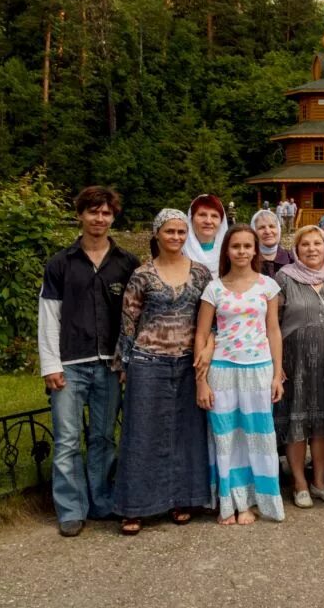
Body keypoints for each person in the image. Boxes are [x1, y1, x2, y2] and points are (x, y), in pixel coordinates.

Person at [37, 187, 139, 537]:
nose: (99, 219)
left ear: (113, 217)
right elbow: (49, 315)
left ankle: (101, 500)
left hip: (110, 365)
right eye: (93, 212)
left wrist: (127, 361)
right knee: (66, 439)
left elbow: (134, 316)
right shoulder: (61, 263)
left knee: (102, 437)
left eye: (106, 213)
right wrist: (50, 364)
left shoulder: (126, 263)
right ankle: (70, 508)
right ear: (80, 214)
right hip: (70, 362)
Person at [112, 209, 213, 535]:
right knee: (142, 434)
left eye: (182, 232)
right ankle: (135, 506)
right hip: (148, 361)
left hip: (188, 362)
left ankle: (183, 498)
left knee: (187, 433)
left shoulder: (200, 274)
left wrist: (208, 351)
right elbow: (128, 322)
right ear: (157, 234)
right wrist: (123, 364)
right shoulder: (142, 274)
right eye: (170, 232)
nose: (176, 238)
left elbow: (211, 319)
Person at [194, 224, 286, 525]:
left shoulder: (267, 286)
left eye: (248, 246)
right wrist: (201, 381)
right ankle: (228, 501)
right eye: (236, 247)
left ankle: (249, 501)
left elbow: (273, 329)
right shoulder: (214, 288)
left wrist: (276, 374)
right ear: (227, 251)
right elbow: (202, 334)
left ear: (255, 250)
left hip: (258, 369)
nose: (242, 252)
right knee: (226, 438)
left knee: (256, 438)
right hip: (222, 370)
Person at [274, 225, 324, 508]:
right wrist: (276, 364)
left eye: (318, 243)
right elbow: (273, 324)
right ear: (296, 249)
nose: (312, 249)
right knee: (297, 421)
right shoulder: (284, 278)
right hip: (295, 361)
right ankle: (299, 483)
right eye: (305, 244)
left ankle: (319, 481)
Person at [183, 194, 229, 279]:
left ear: (221, 222)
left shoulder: (229, 254)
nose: (208, 221)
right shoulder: (179, 252)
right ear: (191, 219)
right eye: (202, 215)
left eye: (214, 216)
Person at [251, 208, 295, 278]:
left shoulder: (292, 260)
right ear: (254, 232)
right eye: (262, 227)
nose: (268, 231)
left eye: (272, 226)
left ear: (279, 230)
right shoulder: (249, 261)